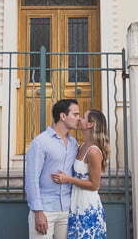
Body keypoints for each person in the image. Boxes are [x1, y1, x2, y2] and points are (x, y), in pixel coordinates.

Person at [25, 98, 80, 238]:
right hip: (45, 210)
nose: (78, 118)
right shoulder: (40, 142)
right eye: (75, 114)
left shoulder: (74, 144)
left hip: (66, 210)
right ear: (63, 116)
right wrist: (38, 212)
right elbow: (31, 179)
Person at [51, 109, 109, 239]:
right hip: (76, 203)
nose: (79, 118)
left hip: (87, 206)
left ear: (90, 124)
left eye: (83, 117)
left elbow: (95, 185)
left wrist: (68, 179)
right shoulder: (82, 145)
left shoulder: (93, 151)